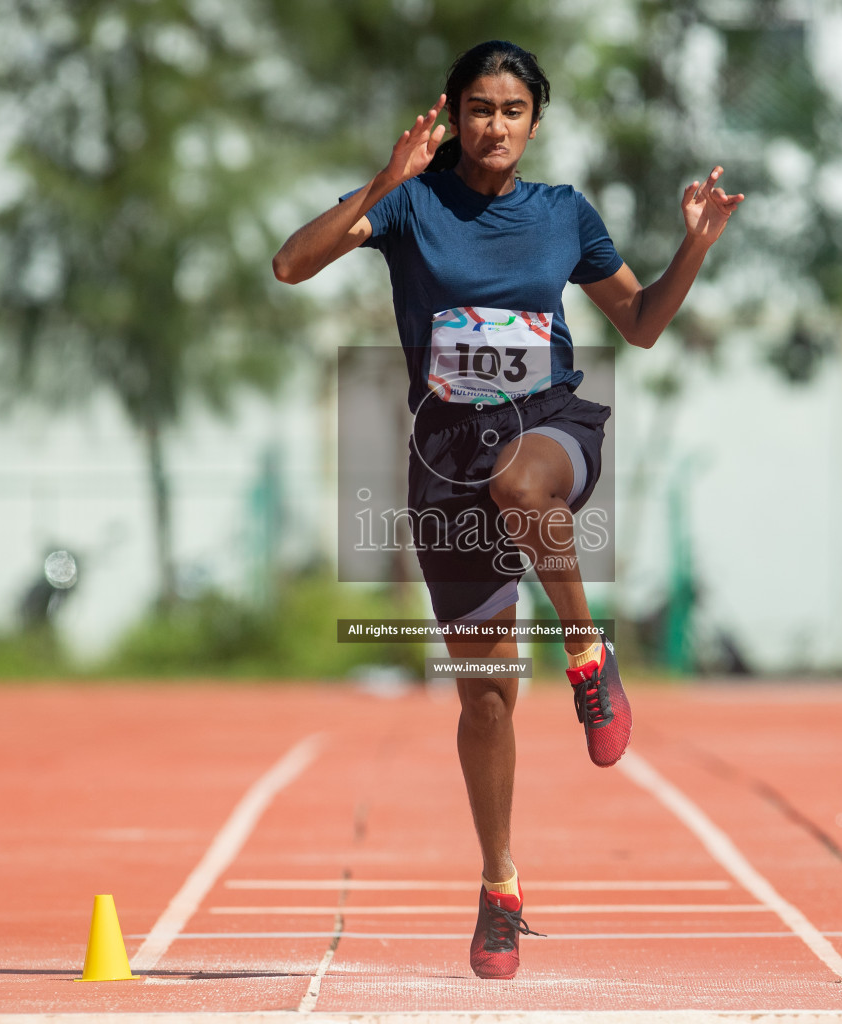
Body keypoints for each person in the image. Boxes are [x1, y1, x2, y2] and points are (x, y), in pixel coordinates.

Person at [273, 40, 741, 980]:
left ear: (536, 121)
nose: (495, 126)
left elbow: (640, 325)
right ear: (454, 115)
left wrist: (693, 245)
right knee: (485, 698)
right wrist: (382, 179)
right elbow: (291, 265)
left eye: (512, 110)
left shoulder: (564, 215)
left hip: (548, 426)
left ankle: (585, 649)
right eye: (479, 109)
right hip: (445, 456)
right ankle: (500, 882)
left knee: (522, 486)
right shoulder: (407, 203)